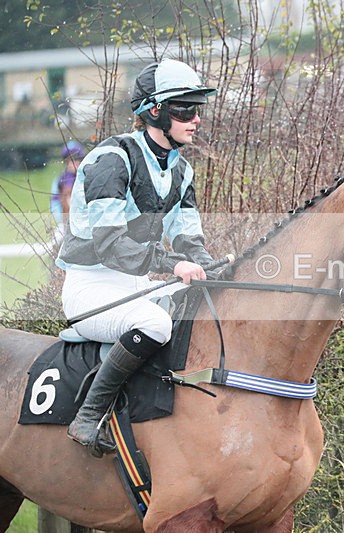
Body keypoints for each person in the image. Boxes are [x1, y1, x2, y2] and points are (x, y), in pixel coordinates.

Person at [56, 58, 217, 457]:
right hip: (91, 287)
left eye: (197, 109)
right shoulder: (111, 160)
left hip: (137, 286)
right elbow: (112, 246)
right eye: (185, 109)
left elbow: (189, 238)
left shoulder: (181, 172)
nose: (194, 119)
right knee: (156, 324)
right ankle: (88, 417)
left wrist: (212, 266)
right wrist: (172, 265)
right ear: (153, 111)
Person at [50, 140, 86, 241]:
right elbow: (54, 203)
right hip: (67, 223)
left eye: (75, 159)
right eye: (68, 160)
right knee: (56, 241)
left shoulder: (87, 176)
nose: (71, 163)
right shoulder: (61, 180)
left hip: (86, 222)